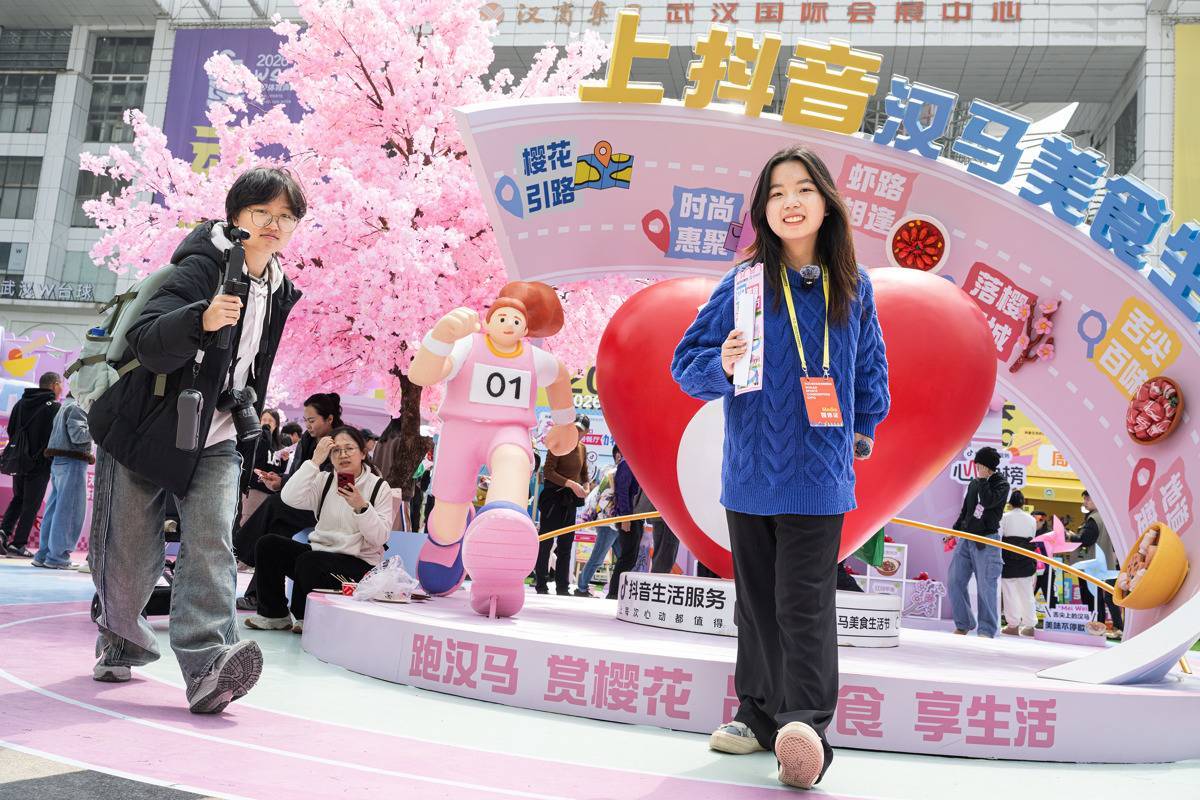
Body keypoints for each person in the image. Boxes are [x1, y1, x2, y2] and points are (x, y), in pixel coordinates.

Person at [671, 145, 890, 790]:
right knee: (757, 604)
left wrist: (863, 429)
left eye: (803, 190)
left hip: (820, 473)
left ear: (826, 204)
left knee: (804, 603)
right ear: (762, 210)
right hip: (750, 471)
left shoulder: (853, 286)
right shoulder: (742, 284)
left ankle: (807, 729)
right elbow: (685, 365)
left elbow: (871, 369)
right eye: (776, 193)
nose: (790, 202)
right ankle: (757, 714)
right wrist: (722, 363)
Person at [85, 167, 305, 712]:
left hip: (216, 433)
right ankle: (121, 637)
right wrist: (199, 319)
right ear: (236, 217)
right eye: (261, 212)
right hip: (144, 426)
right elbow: (147, 341)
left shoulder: (279, 287)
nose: (274, 224)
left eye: (286, 216)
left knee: (212, 545)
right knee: (129, 554)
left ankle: (208, 666)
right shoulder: (202, 266)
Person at [409, 281, 580, 619]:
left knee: (513, 471)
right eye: (501, 317)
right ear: (487, 320)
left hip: (510, 430)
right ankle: (447, 540)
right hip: (460, 431)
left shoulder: (533, 358)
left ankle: (501, 548)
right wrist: (440, 338)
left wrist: (565, 423)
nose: (508, 324)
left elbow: (560, 377)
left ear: (526, 330)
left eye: (516, 320)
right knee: (447, 519)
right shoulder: (466, 345)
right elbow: (422, 375)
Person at [245, 427, 393, 633]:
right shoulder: (324, 480)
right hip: (320, 556)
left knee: (310, 561)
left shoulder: (379, 487)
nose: (343, 455)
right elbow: (289, 497)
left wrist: (361, 506)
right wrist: (314, 461)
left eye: (349, 448)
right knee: (268, 544)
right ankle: (274, 615)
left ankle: (305, 617)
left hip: (359, 566)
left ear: (362, 453)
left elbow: (380, 537)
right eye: (336, 450)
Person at [234, 392, 343, 608]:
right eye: (306, 420)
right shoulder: (307, 440)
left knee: (275, 504)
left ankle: (237, 550)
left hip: (326, 505)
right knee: (275, 534)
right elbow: (297, 478)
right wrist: (279, 481)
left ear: (329, 419)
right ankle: (260, 597)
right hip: (301, 503)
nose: (308, 425)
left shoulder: (341, 442)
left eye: (312, 420)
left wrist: (286, 483)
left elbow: (328, 482)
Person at [948, 447, 1011, 638]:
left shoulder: (1002, 484)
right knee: (954, 580)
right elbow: (966, 511)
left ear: (987, 466)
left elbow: (988, 501)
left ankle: (986, 630)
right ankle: (964, 623)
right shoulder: (974, 483)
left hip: (987, 541)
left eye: (979, 465)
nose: (976, 468)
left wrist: (983, 480)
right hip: (966, 539)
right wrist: (954, 532)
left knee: (986, 586)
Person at [0, 372, 63, 558]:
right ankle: (18, 544)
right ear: (54, 385)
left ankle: (3, 534)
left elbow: (11, 430)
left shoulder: (21, 403)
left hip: (19, 460)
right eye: (60, 384)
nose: (62, 389)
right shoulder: (54, 407)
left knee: (18, 498)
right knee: (31, 504)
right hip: (40, 463)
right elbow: (54, 436)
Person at [31, 392, 94, 568]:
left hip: (59, 461)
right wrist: (98, 428)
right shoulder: (78, 407)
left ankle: (43, 554)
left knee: (55, 510)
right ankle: (58, 557)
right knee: (70, 512)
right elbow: (78, 436)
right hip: (73, 462)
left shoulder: (64, 406)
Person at [534, 415, 591, 595]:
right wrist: (571, 484)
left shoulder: (582, 448)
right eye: (575, 428)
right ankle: (541, 583)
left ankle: (562, 587)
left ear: (586, 432)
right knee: (546, 541)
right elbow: (548, 472)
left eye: (581, 430)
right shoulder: (558, 443)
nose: (577, 432)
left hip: (570, 502)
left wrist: (586, 487)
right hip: (553, 499)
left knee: (566, 544)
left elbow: (584, 473)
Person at [1069, 490, 1122, 632]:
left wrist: (1071, 536)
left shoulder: (1094, 519)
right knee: (1105, 597)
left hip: (1092, 564)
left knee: (1093, 598)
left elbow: (1086, 540)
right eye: (1085, 499)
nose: (1085, 502)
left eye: (1088, 499)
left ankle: (1097, 626)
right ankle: (1112, 626)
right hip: (1105, 563)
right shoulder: (1106, 517)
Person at [574, 446, 622, 597]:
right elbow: (603, 498)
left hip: (614, 522)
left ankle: (616, 590)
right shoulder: (613, 473)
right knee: (598, 557)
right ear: (618, 455)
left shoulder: (613, 472)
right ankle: (581, 587)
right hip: (608, 522)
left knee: (624, 557)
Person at [999, 491, 1038, 636]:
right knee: (1027, 593)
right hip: (1026, 559)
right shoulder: (1032, 520)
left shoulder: (1004, 517)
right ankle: (1030, 626)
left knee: (1009, 594)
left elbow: (1000, 537)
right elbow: (1032, 537)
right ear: (1023, 503)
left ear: (1009, 503)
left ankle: (1013, 625)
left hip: (1008, 559)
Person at [606, 445, 642, 600]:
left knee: (631, 556)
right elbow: (622, 491)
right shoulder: (626, 463)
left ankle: (617, 592)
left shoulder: (634, 463)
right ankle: (614, 593)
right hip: (628, 516)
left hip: (636, 515)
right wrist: (626, 517)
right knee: (627, 556)